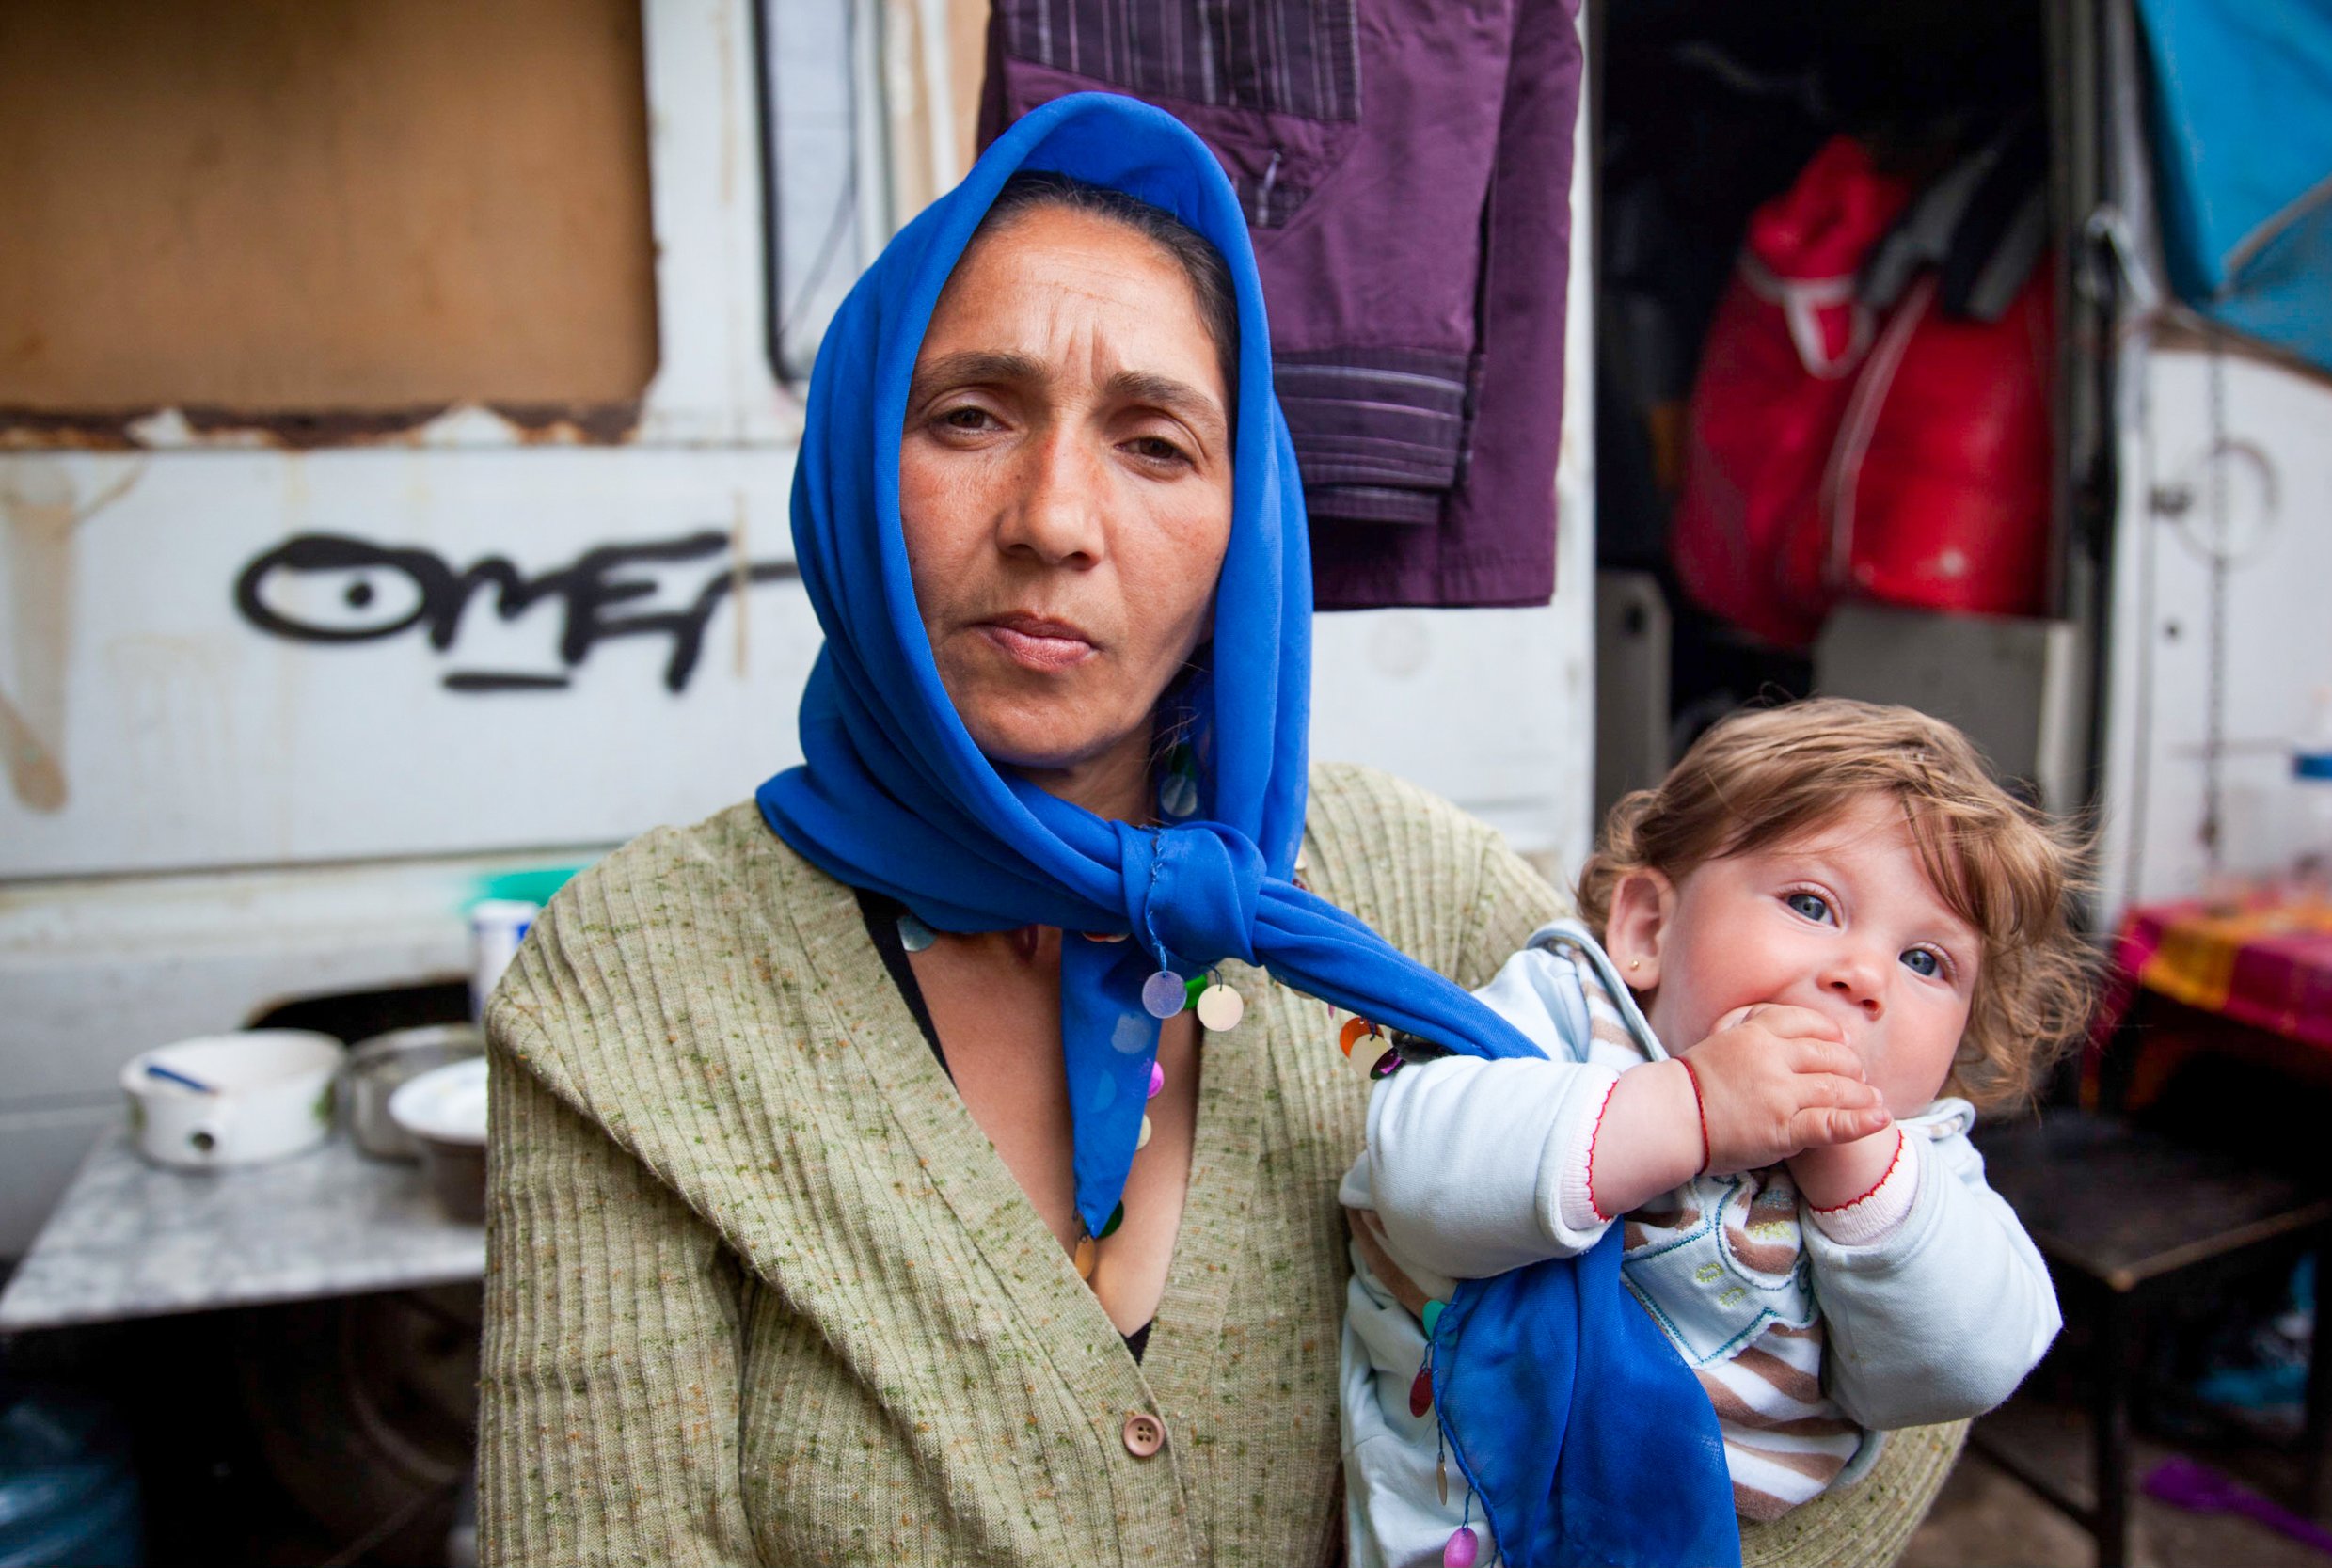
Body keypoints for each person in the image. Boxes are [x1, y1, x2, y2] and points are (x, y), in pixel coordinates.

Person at [477, 93, 1967, 1567]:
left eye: (1156, 443)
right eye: (970, 415)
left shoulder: (1409, 892)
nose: (1055, 517)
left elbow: (1888, 1289)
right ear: (857, 464)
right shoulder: (639, 980)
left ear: (1245, 520)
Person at [1341, 698, 2102, 1565]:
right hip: (1465, 1507)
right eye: (1813, 904)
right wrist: (1689, 1107)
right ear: (1648, 929)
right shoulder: (1572, 1015)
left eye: (1926, 962)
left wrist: (1866, 1183)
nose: (1865, 977)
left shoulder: (1917, 1162)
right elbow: (1417, 1171)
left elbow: (1973, 1361)